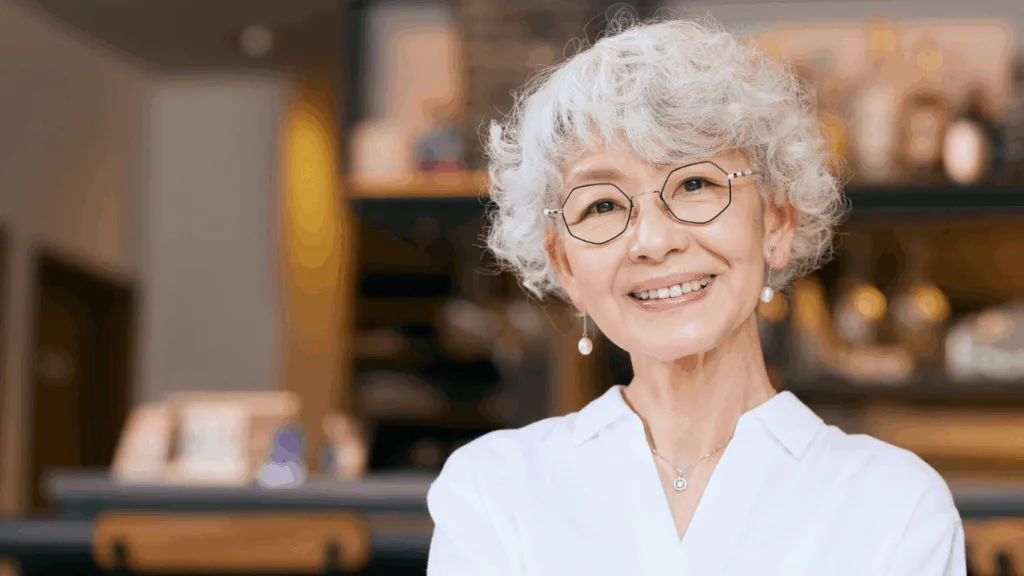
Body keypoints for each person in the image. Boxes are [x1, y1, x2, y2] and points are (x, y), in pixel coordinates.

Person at [426, 16, 965, 576]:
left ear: (775, 223)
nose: (654, 242)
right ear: (566, 266)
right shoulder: (494, 493)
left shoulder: (895, 509)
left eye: (694, 184)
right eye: (602, 205)